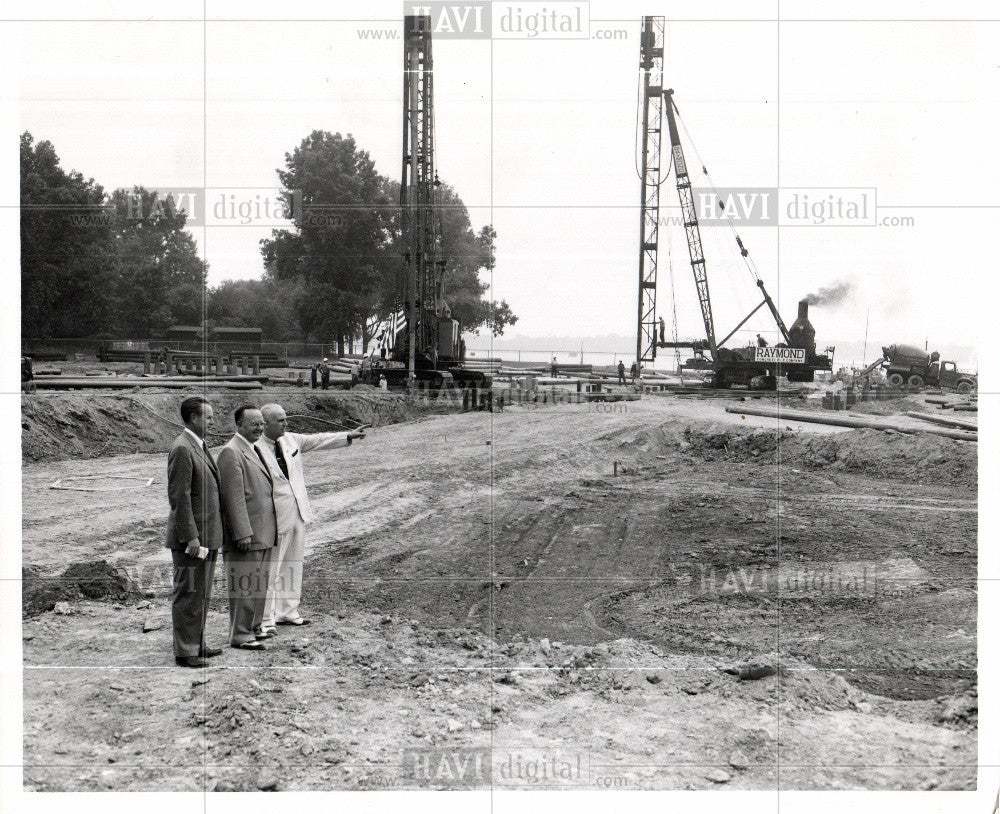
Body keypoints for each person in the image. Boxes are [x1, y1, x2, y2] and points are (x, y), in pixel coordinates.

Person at [255, 403, 365, 629]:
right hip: (272, 516)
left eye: (286, 419)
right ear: (265, 424)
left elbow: (317, 440)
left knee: (294, 562)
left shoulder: (290, 440)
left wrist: (347, 435)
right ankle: (265, 618)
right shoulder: (254, 448)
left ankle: (287, 611)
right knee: (271, 567)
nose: (286, 423)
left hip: (298, 511)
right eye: (280, 420)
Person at [165, 397, 224, 668]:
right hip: (192, 539)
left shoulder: (198, 445)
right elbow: (180, 498)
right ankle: (185, 651)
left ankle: (196, 642)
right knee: (188, 593)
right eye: (208, 417)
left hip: (206, 536)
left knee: (201, 593)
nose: (213, 422)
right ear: (193, 419)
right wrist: (191, 537)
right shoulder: (182, 448)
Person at [217, 406, 278, 651]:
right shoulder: (231, 452)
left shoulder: (253, 449)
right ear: (239, 425)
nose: (260, 428)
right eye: (254, 424)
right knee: (244, 585)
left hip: (262, 531)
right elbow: (233, 498)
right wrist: (242, 532)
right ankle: (240, 634)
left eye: (262, 423)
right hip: (247, 533)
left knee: (258, 584)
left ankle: (253, 627)